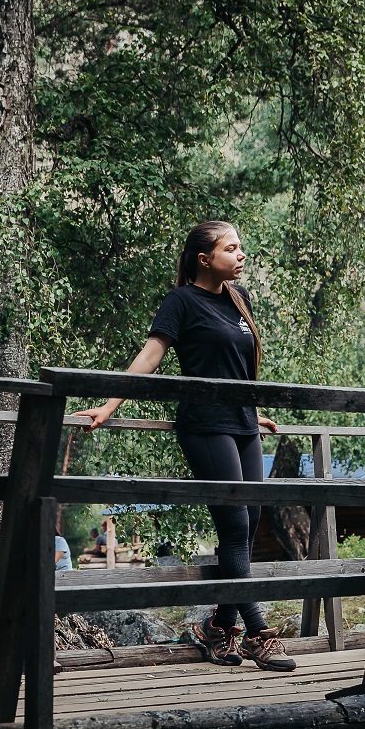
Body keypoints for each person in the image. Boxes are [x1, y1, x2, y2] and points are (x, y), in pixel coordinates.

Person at [77, 219, 296, 671]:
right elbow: (151, 356)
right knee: (235, 524)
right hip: (204, 423)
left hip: (242, 423)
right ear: (205, 258)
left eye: (241, 248)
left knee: (249, 524)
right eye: (232, 248)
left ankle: (216, 629)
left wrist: (252, 411)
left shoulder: (240, 300)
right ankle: (257, 633)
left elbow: (237, 367)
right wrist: (109, 406)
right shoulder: (181, 301)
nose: (241, 255)